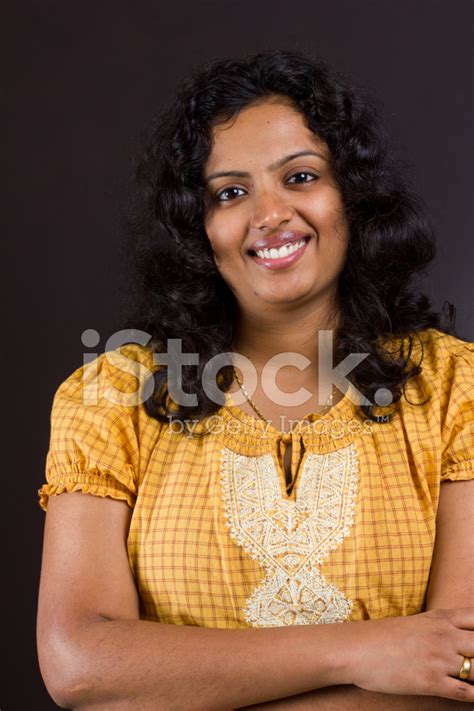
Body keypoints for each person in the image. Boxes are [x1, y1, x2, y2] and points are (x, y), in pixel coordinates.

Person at [37, 49, 474, 709]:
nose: (269, 213)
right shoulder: (113, 395)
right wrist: (367, 649)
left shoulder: (453, 388)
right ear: (198, 229)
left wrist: (188, 687)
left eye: (299, 177)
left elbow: (459, 669)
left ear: (352, 197)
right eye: (231, 192)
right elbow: (78, 664)